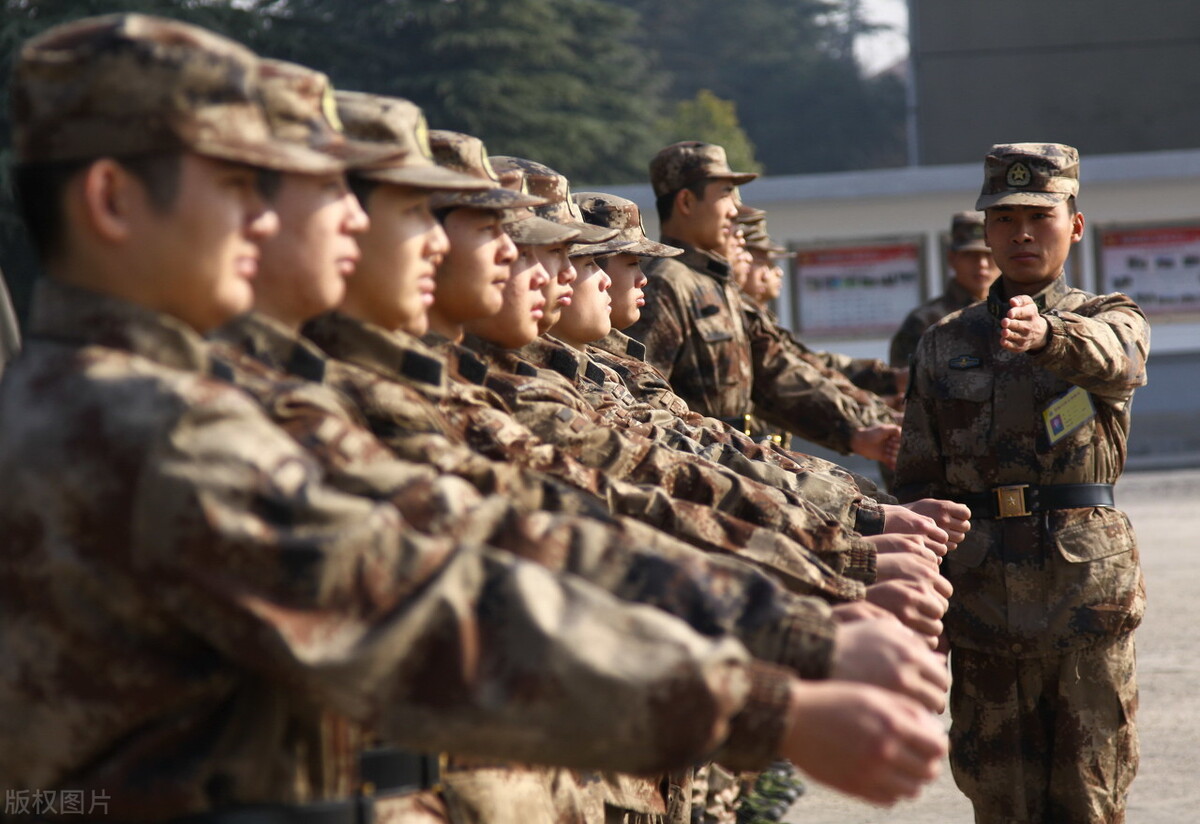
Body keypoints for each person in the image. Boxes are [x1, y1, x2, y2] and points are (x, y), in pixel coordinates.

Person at [0, 14, 953, 820]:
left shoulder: (152, 402)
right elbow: (421, 606)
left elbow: (508, 530)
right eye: (238, 187)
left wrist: (802, 631)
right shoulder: (138, 425)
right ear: (113, 200)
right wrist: (772, 701)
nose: (265, 221)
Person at [894, 143, 1149, 823]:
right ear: (986, 231)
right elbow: (916, 482)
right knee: (998, 802)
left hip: (1082, 603)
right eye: (1004, 218)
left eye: (1039, 214)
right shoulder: (943, 344)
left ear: (1075, 224)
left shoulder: (1110, 317)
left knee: (1088, 799)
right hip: (983, 605)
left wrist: (1048, 335)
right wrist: (911, 598)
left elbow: (1118, 360)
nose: (1022, 232)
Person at [627, 141, 902, 468]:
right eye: (726, 193)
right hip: (697, 467)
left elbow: (775, 374)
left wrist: (853, 432)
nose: (735, 210)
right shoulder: (665, 283)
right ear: (686, 201)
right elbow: (640, 403)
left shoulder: (714, 283)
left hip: (734, 462)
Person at [889, 211, 1001, 368]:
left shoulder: (1016, 312)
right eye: (970, 255)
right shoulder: (924, 321)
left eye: (989, 254)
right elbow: (904, 383)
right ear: (952, 258)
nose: (982, 264)